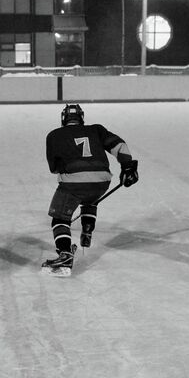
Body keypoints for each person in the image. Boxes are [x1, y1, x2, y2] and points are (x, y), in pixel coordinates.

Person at [43, 104, 139, 277]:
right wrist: (127, 167)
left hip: (74, 185)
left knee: (60, 219)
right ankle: (87, 230)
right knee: (90, 199)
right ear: (82, 118)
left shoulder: (54, 134)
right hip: (102, 181)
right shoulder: (96, 129)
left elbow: (54, 168)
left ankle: (64, 255)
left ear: (64, 119)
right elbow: (120, 145)